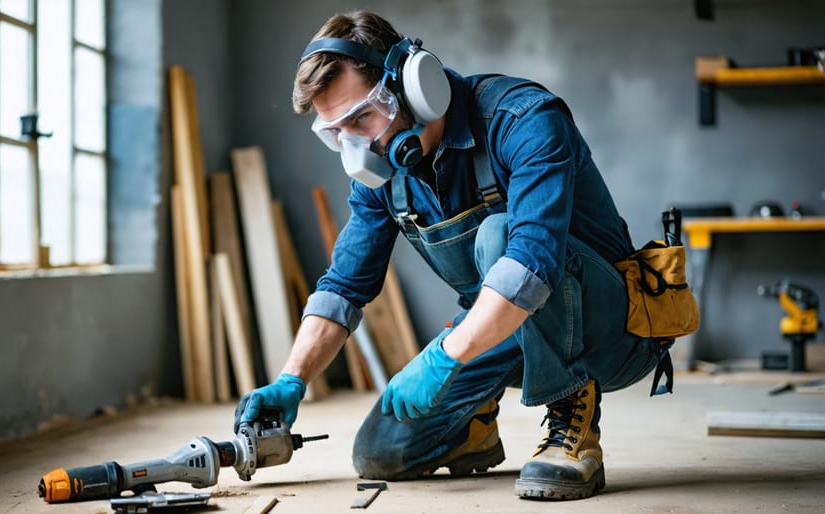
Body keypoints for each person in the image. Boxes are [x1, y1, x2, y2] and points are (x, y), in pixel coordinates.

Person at [233, 10, 673, 501]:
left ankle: (573, 428)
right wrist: (293, 380)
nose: (357, 146)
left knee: (499, 235)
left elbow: (531, 263)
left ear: (412, 82)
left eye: (362, 117)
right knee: (383, 450)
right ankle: (473, 432)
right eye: (338, 132)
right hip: (508, 331)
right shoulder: (384, 177)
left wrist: (444, 356)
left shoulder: (522, 120)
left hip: (614, 330)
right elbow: (344, 286)